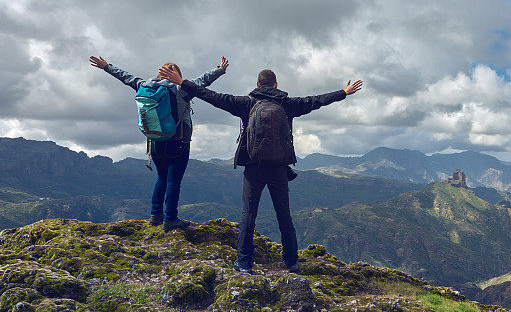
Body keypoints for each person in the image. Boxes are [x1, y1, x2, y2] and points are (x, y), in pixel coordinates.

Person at [157, 64, 362, 273]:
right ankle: (291, 261)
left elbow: (211, 95)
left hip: (253, 168)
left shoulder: (246, 104)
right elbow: (316, 100)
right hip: (279, 169)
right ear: (276, 84)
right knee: (284, 214)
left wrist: (182, 83)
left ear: (257, 84)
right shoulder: (288, 104)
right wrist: (343, 93)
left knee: (249, 214)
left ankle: (244, 263)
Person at [89, 55, 229, 231]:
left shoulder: (144, 85)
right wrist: (220, 70)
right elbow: (203, 80)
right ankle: (170, 219)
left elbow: (125, 77)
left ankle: (156, 215)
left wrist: (106, 66)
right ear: (176, 75)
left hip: (155, 142)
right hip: (178, 143)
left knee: (161, 178)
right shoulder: (181, 89)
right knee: (173, 182)